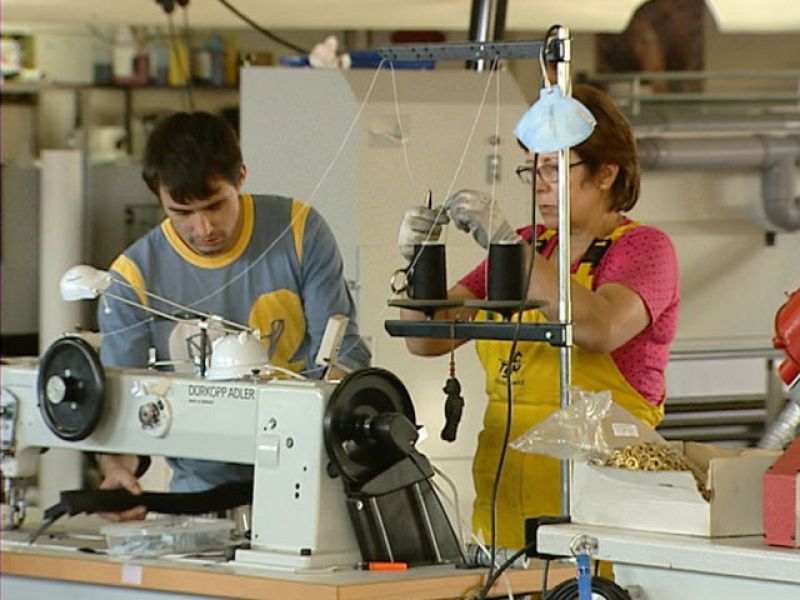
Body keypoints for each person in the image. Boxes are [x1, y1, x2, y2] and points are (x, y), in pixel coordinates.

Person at [397, 84, 680, 549]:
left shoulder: (643, 248)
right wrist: (416, 262)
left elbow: (601, 327)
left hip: (601, 508)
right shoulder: (530, 246)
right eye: (531, 169)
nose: (539, 185)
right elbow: (427, 338)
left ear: (606, 173)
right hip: (504, 501)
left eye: (553, 168)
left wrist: (510, 250)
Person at [97, 111, 370, 521]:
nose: (203, 227)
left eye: (215, 205)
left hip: (307, 482)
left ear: (241, 176)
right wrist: (118, 470)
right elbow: (121, 403)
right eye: (181, 212)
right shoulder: (132, 277)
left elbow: (343, 357)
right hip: (197, 499)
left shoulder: (299, 232)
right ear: (158, 197)